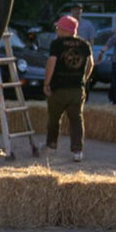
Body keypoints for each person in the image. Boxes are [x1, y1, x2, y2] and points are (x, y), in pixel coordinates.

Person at [43, 14, 94, 161]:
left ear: (64, 30)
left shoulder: (57, 44)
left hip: (58, 88)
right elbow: (91, 64)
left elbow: (51, 63)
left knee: (54, 118)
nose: (57, 30)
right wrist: (84, 79)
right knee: (76, 120)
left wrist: (46, 83)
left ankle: (51, 145)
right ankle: (77, 150)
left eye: (58, 27)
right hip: (77, 89)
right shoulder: (85, 45)